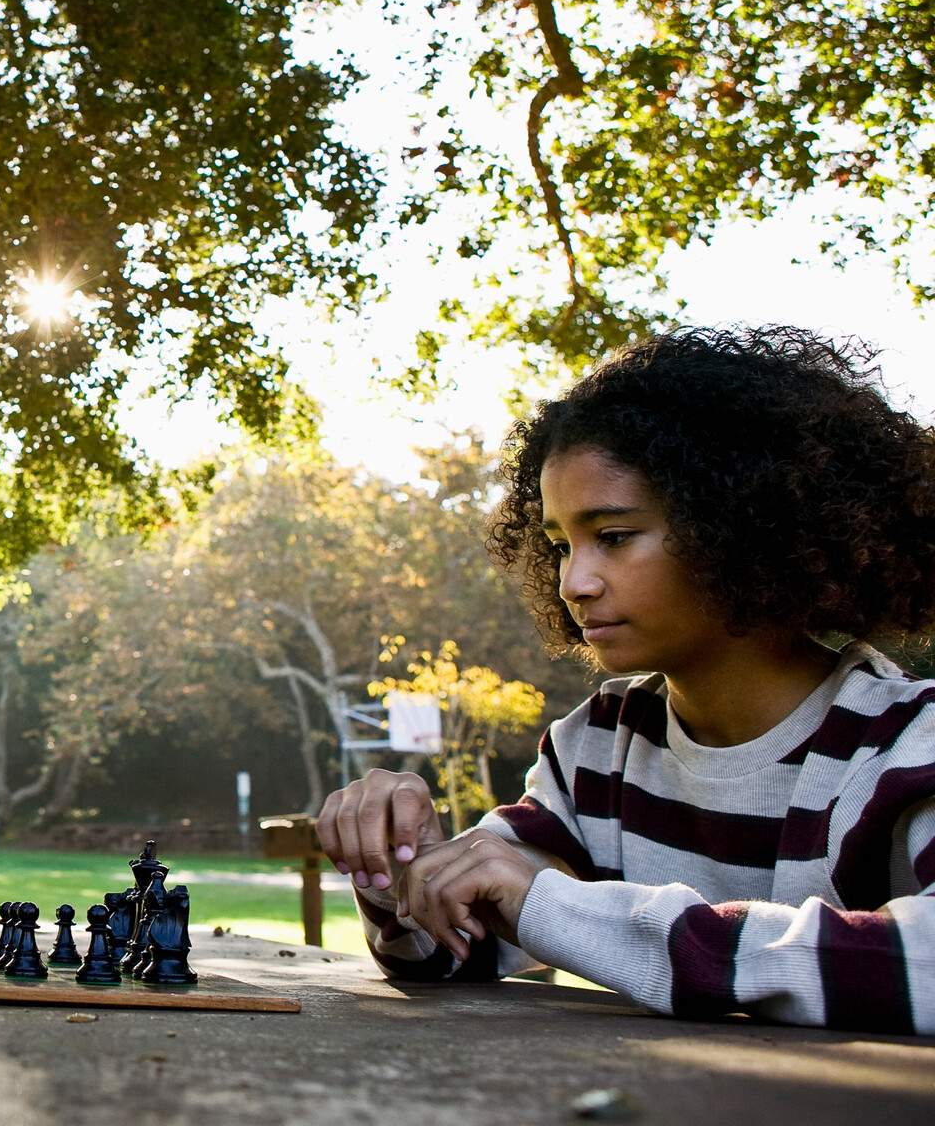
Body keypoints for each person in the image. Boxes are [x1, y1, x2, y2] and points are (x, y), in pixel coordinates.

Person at [319, 326, 935, 1034]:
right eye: (559, 545)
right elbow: (452, 956)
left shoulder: (906, 747)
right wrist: (410, 867)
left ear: (738, 529)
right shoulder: (596, 748)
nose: (574, 582)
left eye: (612, 537)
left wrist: (563, 908)